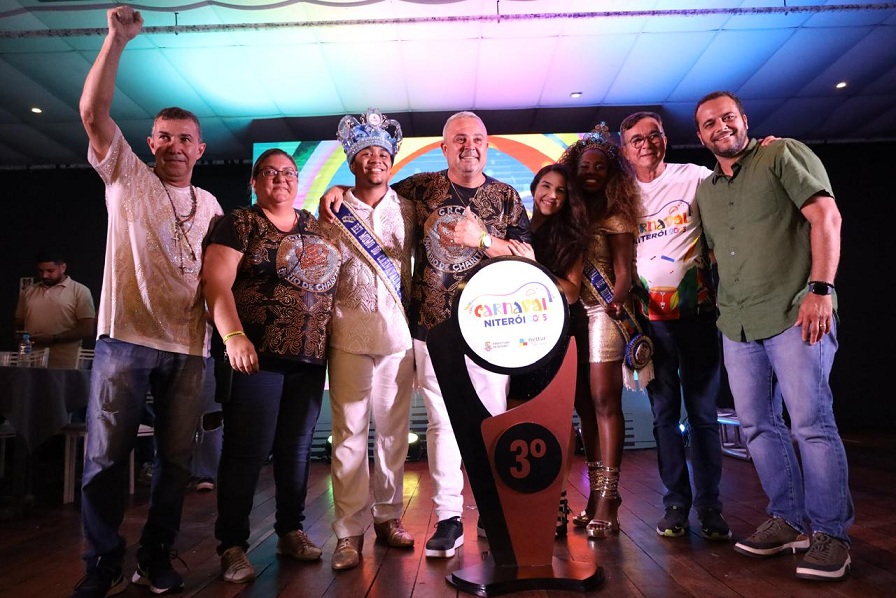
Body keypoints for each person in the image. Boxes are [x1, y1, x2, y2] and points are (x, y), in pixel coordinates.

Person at [322, 111, 530, 559]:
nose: (469, 146)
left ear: (488, 145)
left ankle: (492, 513)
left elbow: (528, 258)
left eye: (477, 139)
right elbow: (370, 191)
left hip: (492, 327)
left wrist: (482, 241)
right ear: (444, 147)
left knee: (491, 421)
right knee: (441, 424)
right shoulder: (419, 188)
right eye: (460, 139)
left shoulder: (507, 196)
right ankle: (449, 518)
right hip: (431, 328)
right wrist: (336, 188)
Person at [74, 6, 223, 597]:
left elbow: (218, 280)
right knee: (105, 459)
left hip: (189, 348)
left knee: (176, 464)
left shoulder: (211, 206)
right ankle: (102, 562)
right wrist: (116, 40)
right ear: (150, 142)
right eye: (165, 136)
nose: (175, 146)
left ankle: (154, 556)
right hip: (124, 340)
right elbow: (93, 113)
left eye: (185, 138)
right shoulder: (126, 177)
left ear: (201, 148)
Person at [693, 90, 852, 581]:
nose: (720, 127)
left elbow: (826, 216)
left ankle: (831, 535)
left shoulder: (781, 153)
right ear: (700, 136)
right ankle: (788, 520)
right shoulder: (706, 191)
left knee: (811, 424)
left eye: (727, 117)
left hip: (796, 313)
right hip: (738, 323)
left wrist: (820, 289)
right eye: (709, 123)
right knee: (756, 425)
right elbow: (715, 254)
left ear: (744, 119)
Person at [202, 148, 340, 584]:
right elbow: (215, 282)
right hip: (255, 357)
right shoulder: (240, 223)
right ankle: (232, 545)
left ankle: (290, 530)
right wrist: (233, 336)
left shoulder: (312, 225)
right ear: (254, 181)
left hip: (309, 358)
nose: (280, 179)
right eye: (270, 172)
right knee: (247, 450)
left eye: (288, 172)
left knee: (296, 449)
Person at [618, 111, 730, 540]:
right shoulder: (621, 195)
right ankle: (676, 504)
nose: (647, 144)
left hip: (698, 317)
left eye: (655, 136)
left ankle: (711, 507)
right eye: (637, 139)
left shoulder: (695, 176)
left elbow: (735, 190)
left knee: (702, 415)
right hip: (649, 327)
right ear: (625, 150)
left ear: (665, 139)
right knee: (664, 417)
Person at [321, 109, 416, 570]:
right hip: (347, 333)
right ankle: (348, 531)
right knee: (348, 437)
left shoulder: (410, 208)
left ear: (392, 161)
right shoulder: (332, 209)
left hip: (398, 336)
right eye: (365, 153)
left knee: (394, 435)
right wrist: (334, 191)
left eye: (382, 152)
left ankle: (388, 518)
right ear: (351, 162)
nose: (375, 159)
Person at [557, 123, 651, 540]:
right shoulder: (569, 215)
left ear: (612, 173)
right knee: (583, 407)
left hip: (604, 312)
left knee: (603, 401)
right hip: (572, 318)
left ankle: (610, 499)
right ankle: (596, 495)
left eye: (600, 166)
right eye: (585, 166)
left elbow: (625, 272)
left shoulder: (617, 216)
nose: (591, 172)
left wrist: (615, 300)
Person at [506, 163, 588, 537]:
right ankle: (522, 498)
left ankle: (557, 498)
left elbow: (571, 292)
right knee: (514, 413)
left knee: (555, 417)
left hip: (553, 335)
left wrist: (534, 266)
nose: (551, 195)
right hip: (513, 334)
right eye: (546, 186)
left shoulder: (571, 236)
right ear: (534, 186)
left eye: (561, 190)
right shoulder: (515, 227)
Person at [14, 250, 96, 369]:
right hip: (30, 361)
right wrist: (22, 336)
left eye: (50, 271)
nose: (44, 275)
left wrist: (55, 338)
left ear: (63, 268)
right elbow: (19, 322)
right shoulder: (28, 292)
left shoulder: (80, 291)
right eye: (41, 271)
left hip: (65, 363)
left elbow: (87, 329)